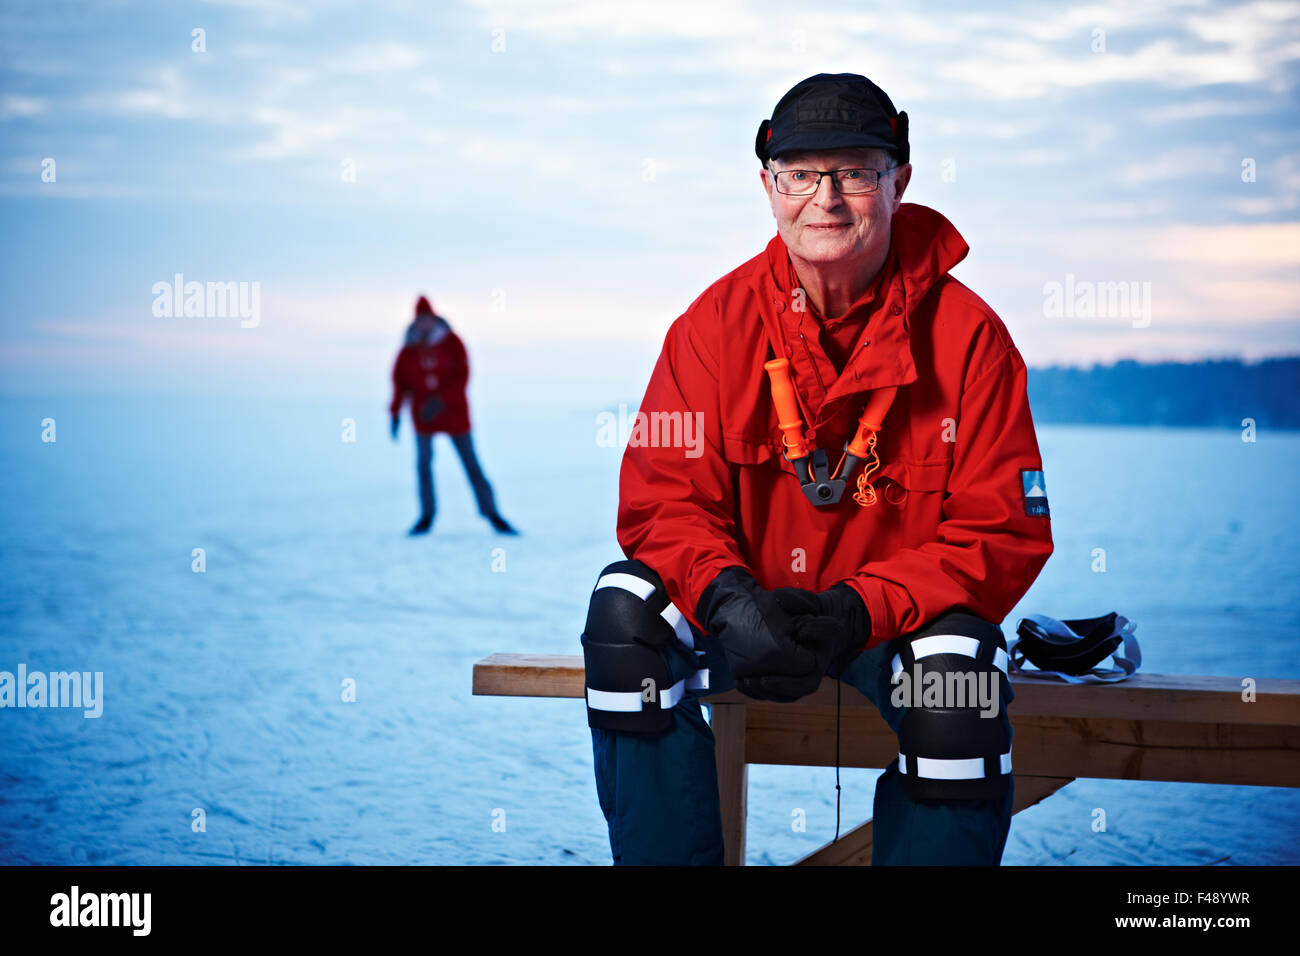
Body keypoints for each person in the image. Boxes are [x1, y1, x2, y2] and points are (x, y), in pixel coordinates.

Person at [579, 73, 1054, 865]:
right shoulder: (711, 328)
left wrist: (855, 613)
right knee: (626, 616)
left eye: (855, 172)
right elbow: (663, 502)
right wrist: (729, 602)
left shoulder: (972, 339)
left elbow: (1000, 530)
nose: (825, 198)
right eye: (801, 174)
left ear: (899, 179)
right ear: (769, 186)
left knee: (957, 688)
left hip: (891, 625)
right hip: (744, 613)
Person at [389, 295, 517, 536]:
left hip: (455, 415)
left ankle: (493, 514)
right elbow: (399, 383)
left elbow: (463, 375)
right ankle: (426, 516)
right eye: (420, 320)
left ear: (434, 319)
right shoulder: (408, 350)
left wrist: (441, 400)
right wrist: (395, 413)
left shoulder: (452, 342)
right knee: (424, 465)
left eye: (427, 319)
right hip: (423, 418)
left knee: (471, 463)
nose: (424, 324)